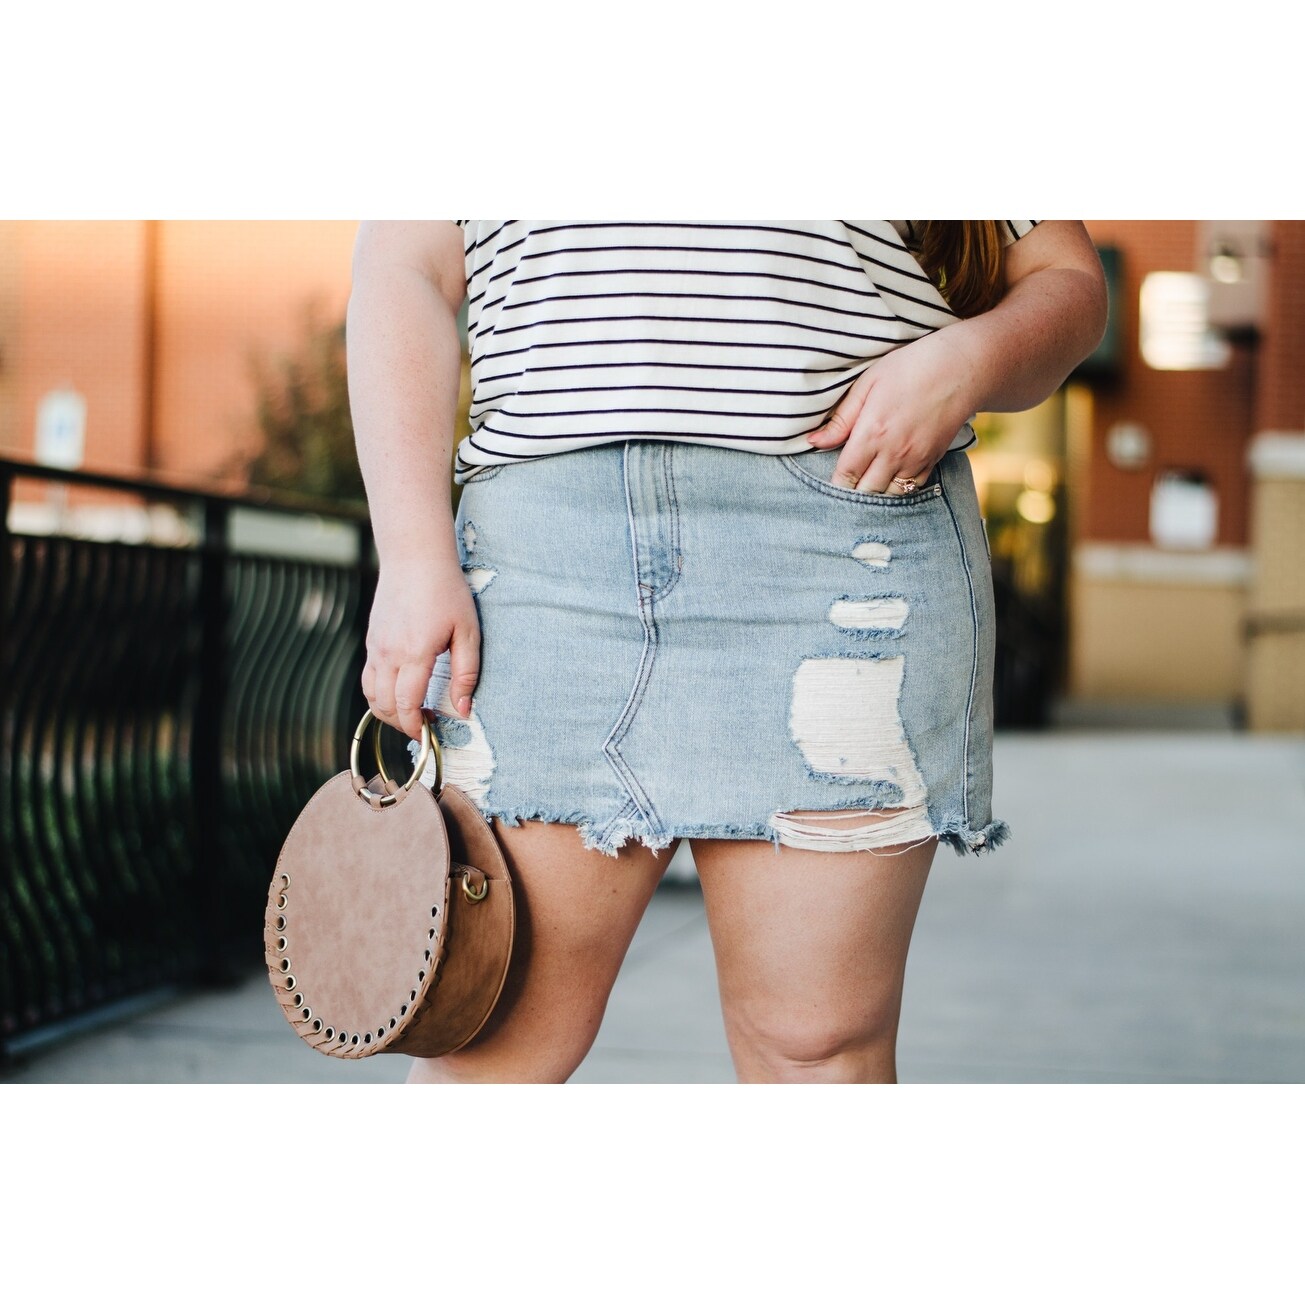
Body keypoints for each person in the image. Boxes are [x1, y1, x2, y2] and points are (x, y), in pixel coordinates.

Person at [346, 220, 1108, 1084]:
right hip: (545, 563)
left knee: (816, 1047)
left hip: (841, 546)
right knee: (489, 1046)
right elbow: (404, 262)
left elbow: (1066, 279)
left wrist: (972, 358)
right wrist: (411, 555)